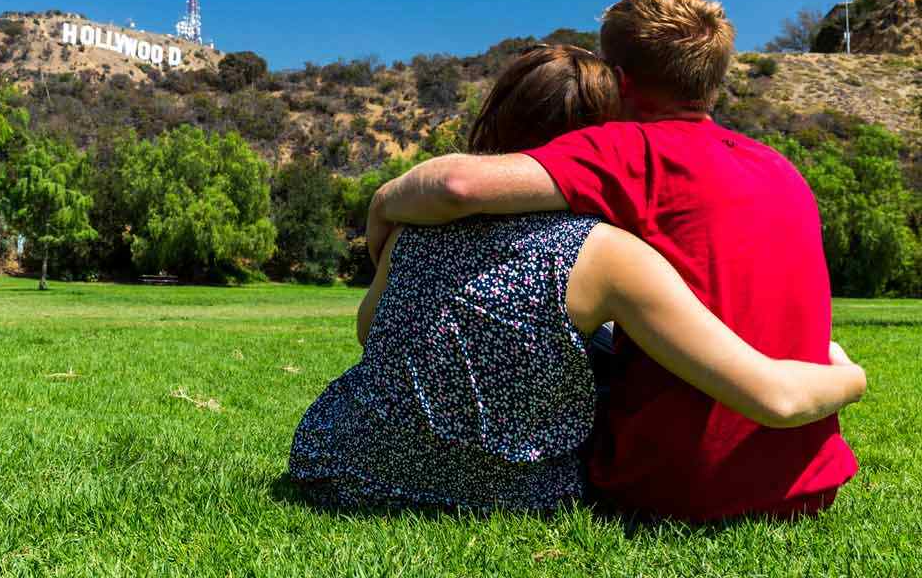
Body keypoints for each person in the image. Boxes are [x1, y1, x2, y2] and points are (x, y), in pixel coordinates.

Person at [289, 45, 865, 513]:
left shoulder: (416, 227)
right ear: (601, 137)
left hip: (341, 460)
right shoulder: (604, 254)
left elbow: (372, 333)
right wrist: (846, 373)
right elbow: (774, 396)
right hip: (506, 494)